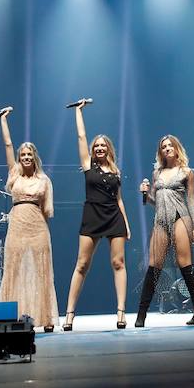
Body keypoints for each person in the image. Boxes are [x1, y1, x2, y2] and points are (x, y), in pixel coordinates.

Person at [62, 99, 130, 331]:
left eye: (103, 146)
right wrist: (78, 113)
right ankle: (69, 314)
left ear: (108, 149)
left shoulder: (116, 171)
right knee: (82, 264)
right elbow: (81, 138)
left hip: (114, 216)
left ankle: (121, 313)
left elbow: (119, 199)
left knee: (118, 262)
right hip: (92, 214)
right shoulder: (88, 166)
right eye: (96, 146)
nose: (99, 148)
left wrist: (127, 225)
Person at [0, 107, 59, 332]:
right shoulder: (14, 174)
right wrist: (3, 120)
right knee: (14, 268)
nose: (25, 158)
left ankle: (46, 318)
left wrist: (44, 233)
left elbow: (45, 211)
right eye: (22, 156)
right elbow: (8, 145)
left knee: (41, 269)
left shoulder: (44, 180)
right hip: (17, 224)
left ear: (35, 158)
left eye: (29, 155)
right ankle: (11, 316)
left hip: (38, 226)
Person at [136, 135, 194, 327]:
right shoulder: (156, 173)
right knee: (154, 265)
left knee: (184, 263)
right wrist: (145, 194)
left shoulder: (187, 172)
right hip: (160, 219)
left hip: (180, 217)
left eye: (170, 146)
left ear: (176, 148)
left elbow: (191, 200)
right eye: (163, 147)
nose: (167, 149)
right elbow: (155, 202)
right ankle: (141, 313)